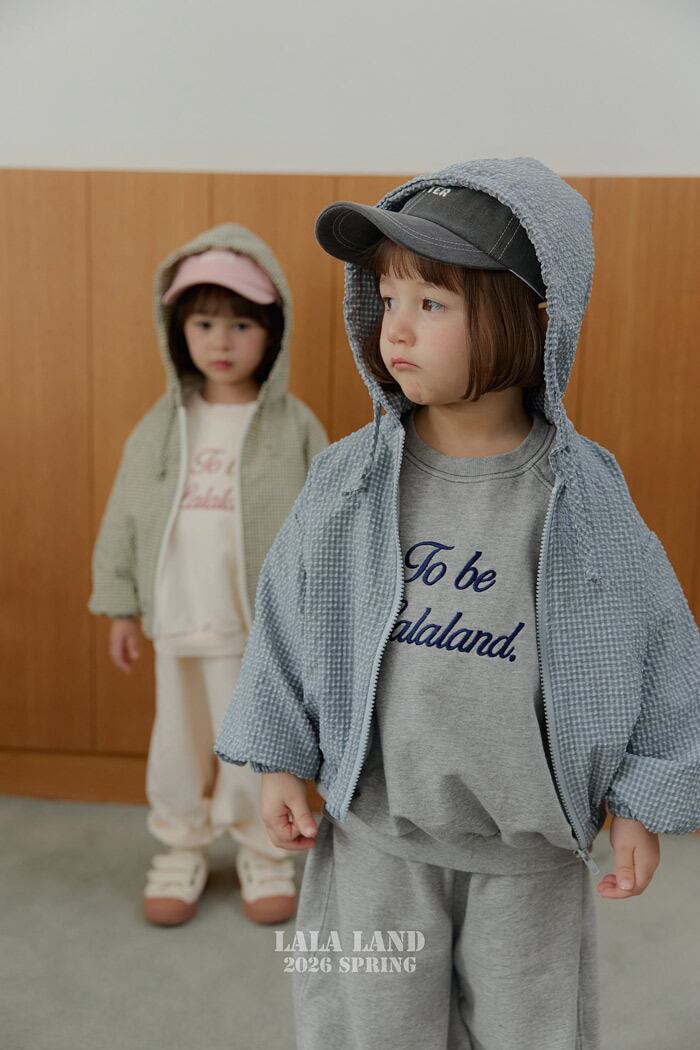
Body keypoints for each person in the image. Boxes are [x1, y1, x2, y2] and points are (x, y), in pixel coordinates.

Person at [214, 158, 700, 1048]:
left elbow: (663, 645)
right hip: (375, 840)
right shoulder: (350, 480)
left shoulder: (581, 496)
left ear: (528, 319)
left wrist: (642, 797)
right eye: (387, 298)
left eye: (431, 304)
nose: (395, 329)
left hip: (530, 857)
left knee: (530, 1033)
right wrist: (278, 756)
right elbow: (288, 615)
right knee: (372, 1030)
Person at [88, 224, 328, 927]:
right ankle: (181, 845)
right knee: (178, 741)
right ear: (178, 331)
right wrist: (121, 605)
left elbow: (326, 526)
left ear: (273, 332)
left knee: (260, 747)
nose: (221, 341)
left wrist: (318, 619)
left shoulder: (293, 427)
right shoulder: (163, 425)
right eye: (203, 323)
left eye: (241, 324)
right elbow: (125, 513)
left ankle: (263, 848)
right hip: (177, 618)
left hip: (256, 630)